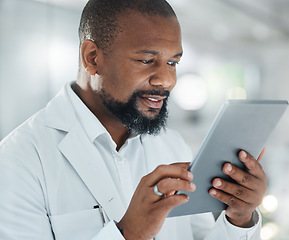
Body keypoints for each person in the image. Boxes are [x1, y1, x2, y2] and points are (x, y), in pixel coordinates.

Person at [0, 0, 267, 239]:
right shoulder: (19, 160)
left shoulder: (172, 146)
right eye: (147, 60)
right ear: (92, 58)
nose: (167, 81)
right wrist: (127, 234)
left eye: (173, 63)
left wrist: (239, 218)